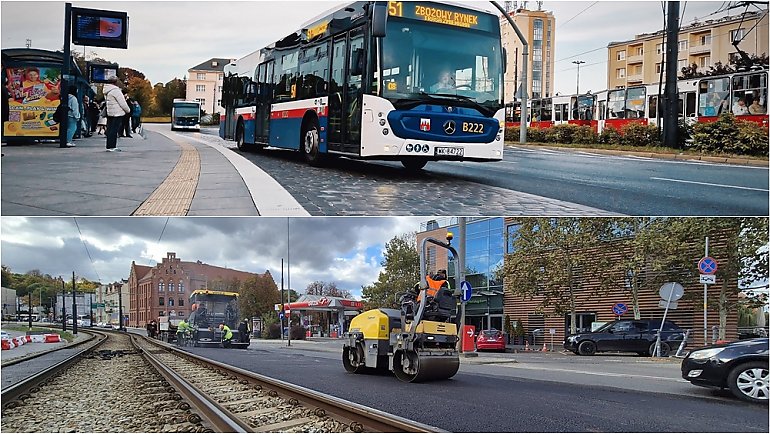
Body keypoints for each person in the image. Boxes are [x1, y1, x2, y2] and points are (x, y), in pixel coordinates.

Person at [103, 77, 131, 151]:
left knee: (110, 129)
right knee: (114, 130)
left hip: (110, 112)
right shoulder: (116, 91)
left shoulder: (107, 90)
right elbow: (122, 103)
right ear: (115, 82)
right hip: (117, 112)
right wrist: (128, 110)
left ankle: (109, 146)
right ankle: (112, 146)